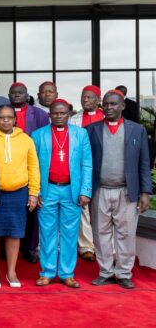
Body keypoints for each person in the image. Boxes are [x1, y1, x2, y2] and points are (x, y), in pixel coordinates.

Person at [86, 90, 151, 289]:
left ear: (122, 106)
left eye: (113, 104)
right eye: (105, 104)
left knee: (126, 233)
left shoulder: (136, 130)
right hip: (99, 191)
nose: (109, 108)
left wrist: (145, 192)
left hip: (127, 191)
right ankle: (105, 272)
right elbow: (86, 163)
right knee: (100, 233)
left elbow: (144, 162)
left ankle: (123, 273)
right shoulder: (91, 130)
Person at [31, 99, 92, 288]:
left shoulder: (80, 134)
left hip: (71, 190)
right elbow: (33, 166)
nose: (58, 116)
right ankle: (47, 272)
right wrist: (36, 191)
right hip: (47, 190)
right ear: (49, 115)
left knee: (70, 233)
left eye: (62, 113)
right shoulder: (38, 134)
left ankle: (67, 273)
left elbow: (87, 163)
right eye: (55, 113)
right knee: (47, 233)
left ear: (69, 114)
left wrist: (85, 191)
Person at [0, 105, 40, 289]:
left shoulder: (25, 140)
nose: (6, 120)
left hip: (19, 192)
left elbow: (33, 167)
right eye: (2, 117)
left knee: (15, 233)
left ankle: (11, 271)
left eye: (9, 117)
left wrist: (33, 193)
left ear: (15, 119)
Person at [8, 81, 50, 262]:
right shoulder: (3, 112)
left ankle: (30, 248)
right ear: (9, 96)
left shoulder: (40, 114)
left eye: (21, 93)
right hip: (9, 168)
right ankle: (7, 247)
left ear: (27, 95)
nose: (17, 95)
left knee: (32, 209)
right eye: (14, 93)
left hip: (32, 166)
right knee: (9, 211)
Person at [70, 85, 103, 262]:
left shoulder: (107, 118)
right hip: (80, 169)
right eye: (84, 97)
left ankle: (105, 247)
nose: (86, 100)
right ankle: (86, 246)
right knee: (82, 207)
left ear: (99, 100)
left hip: (101, 169)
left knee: (100, 209)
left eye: (90, 97)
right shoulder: (73, 119)